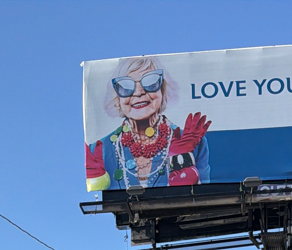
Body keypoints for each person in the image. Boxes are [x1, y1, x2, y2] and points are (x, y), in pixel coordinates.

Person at [86, 57, 210, 191]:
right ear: (117, 98)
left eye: (151, 82)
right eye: (126, 86)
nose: (139, 92)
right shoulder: (101, 150)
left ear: (162, 90)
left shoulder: (191, 142)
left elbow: (207, 197)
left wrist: (183, 162)